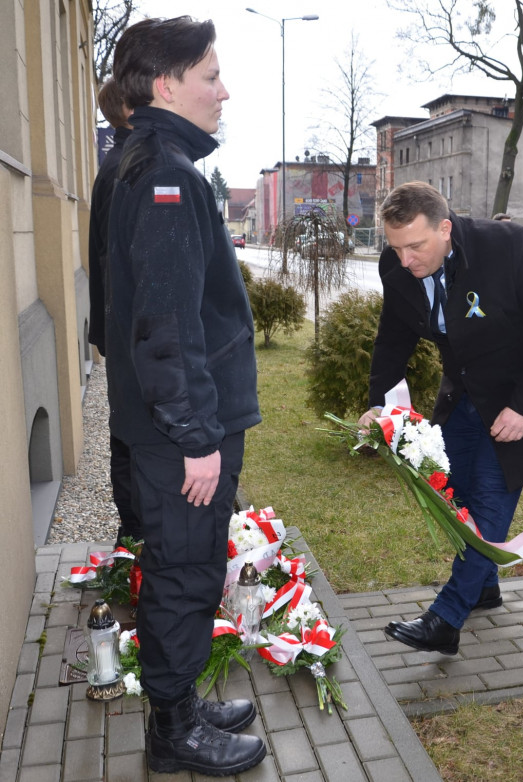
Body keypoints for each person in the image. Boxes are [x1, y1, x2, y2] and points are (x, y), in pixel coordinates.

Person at [106, 17, 266, 774]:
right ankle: (173, 732)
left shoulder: (147, 160)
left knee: (186, 564)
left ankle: (180, 703)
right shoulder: (167, 173)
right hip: (183, 436)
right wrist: (196, 436)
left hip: (170, 427)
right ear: (166, 84)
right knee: (184, 571)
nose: (223, 89)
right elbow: (165, 323)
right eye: (210, 74)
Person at [359, 182, 523, 655]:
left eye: (417, 246)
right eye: (396, 248)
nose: (406, 261)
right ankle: (485, 585)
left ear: (446, 228)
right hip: (464, 395)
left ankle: (447, 617)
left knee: (492, 495)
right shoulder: (396, 266)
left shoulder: (507, 247)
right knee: (454, 494)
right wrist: (381, 406)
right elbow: (392, 340)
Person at [87, 79, 141, 546]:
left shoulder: (117, 161)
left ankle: (134, 530)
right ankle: (136, 531)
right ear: (126, 109)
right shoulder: (127, 165)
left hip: (119, 325)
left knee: (126, 429)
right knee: (130, 434)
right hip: (129, 328)